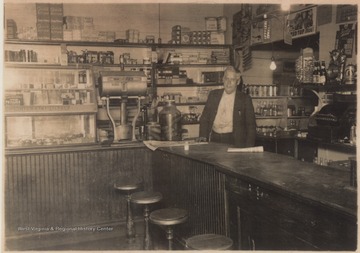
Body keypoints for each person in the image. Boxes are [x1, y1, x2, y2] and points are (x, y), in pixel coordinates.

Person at [199, 66, 256, 148]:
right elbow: (204, 118)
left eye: (232, 80)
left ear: (238, 81)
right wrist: (203, 137)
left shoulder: (245, 99)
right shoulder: (213, 95)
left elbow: (251, 126)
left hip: (233, 141)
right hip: (214, 139)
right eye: (226, 79)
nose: (228, 83)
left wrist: (248, 148)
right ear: (223, 79)